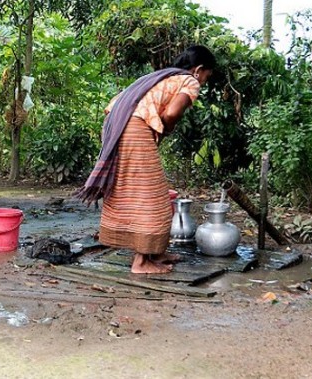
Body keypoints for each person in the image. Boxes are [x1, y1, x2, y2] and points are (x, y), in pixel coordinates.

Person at [75, 45, 215, 274]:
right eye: (207, 76)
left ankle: (155, 252)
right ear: (199, 70)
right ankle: (141, 262)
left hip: (116, 123)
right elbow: (171, 114)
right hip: (133, 126)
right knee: (151, 195)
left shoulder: (161, 76)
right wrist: (167, 129)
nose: (205, 81)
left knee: (130, 190)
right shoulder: (189, 80)